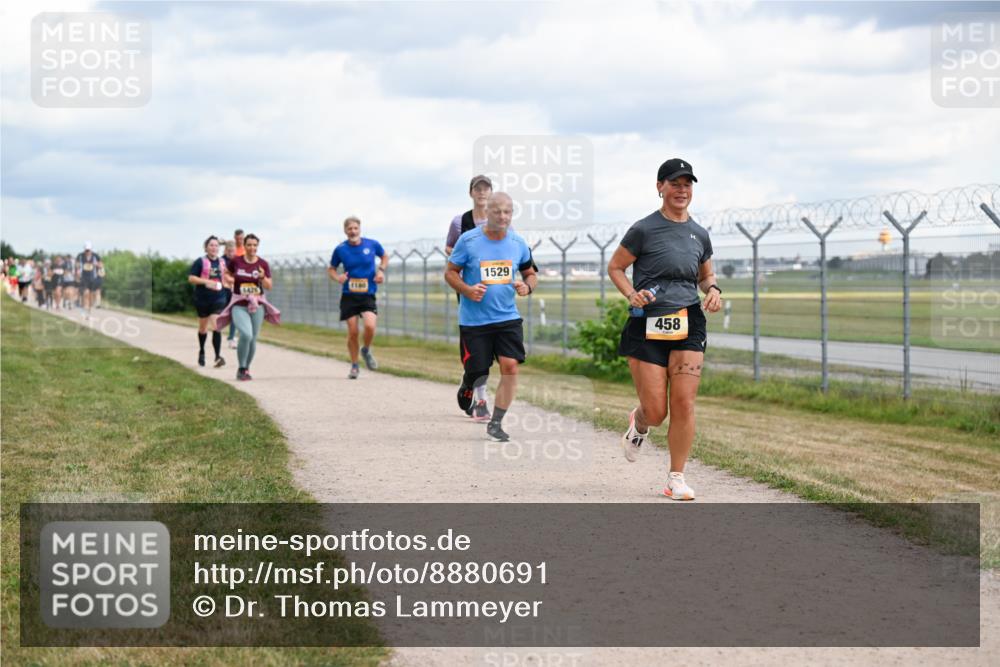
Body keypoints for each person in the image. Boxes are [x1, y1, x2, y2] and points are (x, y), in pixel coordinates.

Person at [607, 158, 722, 501]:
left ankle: (676, 478)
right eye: (674, 183)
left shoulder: (699, 233)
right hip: (648, 322)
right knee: (657, 411)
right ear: (660, 187)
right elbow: (615, 267)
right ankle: (639, 422)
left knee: (684, 402)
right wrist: (631, 293)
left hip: (688, 320)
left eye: (687, 184)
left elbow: (705, 276)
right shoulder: (644, 229)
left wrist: (714, 291)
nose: (681, 190)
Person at [445, 192, 537, 441]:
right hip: (475, 321)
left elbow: (530, 273)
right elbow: (451, 273)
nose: (502, 216)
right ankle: (468, 385)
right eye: (497, 211)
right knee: (478, 371)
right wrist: (466, 289)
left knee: (510, 367)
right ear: (487, 213)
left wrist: (527, 287)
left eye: (507, 211)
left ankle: (495, 422)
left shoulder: (518, 243)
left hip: (507, 317)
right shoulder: (469, 240)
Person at [445, 175, 495, 419]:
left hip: (495, 291)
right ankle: (478, 394)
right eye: (478, 188)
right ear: (471, 192)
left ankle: (475, 388)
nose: (482, 192)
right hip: (467, 289)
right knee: (475, 344)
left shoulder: (501, 220)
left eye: (486, 189)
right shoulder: (460, 222)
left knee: (494, 344)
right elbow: (449, 250)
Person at [328, 216, 388, 379]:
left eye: (355, 228)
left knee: (370, 326)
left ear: (360, 229)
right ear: (345, 231)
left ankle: (366, 350)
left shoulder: (372, 244)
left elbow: (384, 256)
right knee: (353, 332)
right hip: (349, 295)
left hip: (368, 294)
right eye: (349, 229)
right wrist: (338, 278)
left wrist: (381, 271)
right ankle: (354, 365)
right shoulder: (340, 249)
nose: (353, 231)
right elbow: (331, 269)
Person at [217, 234, 280, 381]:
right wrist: (231, 280)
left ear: (258, 246)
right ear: (244, 246)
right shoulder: (236, 261)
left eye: (254, 245)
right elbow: (227, 273)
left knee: (253, 339)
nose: (252, 248)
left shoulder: (263, 264)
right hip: (239, 303)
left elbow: (269, 286)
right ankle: (241, 367)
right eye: (249, 245)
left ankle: (245, 369)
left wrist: (263, 277)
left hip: (257, 304)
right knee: (246, 334)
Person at [187, 235, 229, 368]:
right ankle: (202, 351)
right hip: (202, 299)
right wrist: (207, 282)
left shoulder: (223, 262)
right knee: (203, 328)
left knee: (217, 326)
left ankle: (217, 357)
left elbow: (227, 277)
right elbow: (191, 278)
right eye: (211, 245)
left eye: (216, 245)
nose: (214, 248)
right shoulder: (200, 261)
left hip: (218, 298)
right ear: (206, 247)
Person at [76, 242, 101, 317]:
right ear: (84, 249)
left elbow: (101, 265)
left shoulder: (96, 256)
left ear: (91, 249)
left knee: (91, 295)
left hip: (93, 277)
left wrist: (96, 264)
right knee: (85, 293)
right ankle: (84, 309)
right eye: (86, 250)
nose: (87, 252)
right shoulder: (80, 256)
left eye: (88, 250)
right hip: (84, 277)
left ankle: (89, 310)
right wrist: (78, 271)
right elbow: (77, 265)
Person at [222, 239, 238, 349]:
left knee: (235, 314)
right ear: (226, 251)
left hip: (234, 291)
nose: (231, 253)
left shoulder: (238, 261)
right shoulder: (221, 261)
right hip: (223, 290)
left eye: (233, 251)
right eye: (229, 251)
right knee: (223, 313)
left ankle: (232, 338)